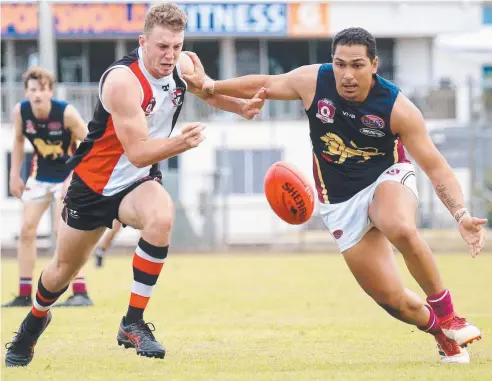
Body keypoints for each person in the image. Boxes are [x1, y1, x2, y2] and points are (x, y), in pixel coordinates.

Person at [186, 27, 487, 364]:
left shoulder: (397, 107)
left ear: (374, 65)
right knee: (391, 300)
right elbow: (266, 84)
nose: (347, 75)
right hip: (339, 202)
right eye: (340, 64)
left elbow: (436, 166)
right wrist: (211, 85)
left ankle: (448, 315)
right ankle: (442, 335)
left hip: (386, 178)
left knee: (398, 226)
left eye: (357, 65)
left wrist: (460, 214)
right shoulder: (314, 82)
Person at [5, 3, 265, 367]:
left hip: (137, 181)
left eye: (176, 46)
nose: (169, 55)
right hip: (94, 184)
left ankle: (133, 321)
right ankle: (33, 323)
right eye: (162, 47)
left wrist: (241, 107)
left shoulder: (183, 64)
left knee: (161, 217)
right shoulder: (122, 81)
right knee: (62, 270)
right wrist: (180, 143)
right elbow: (139, 151)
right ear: (143, 41)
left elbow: (204, 91)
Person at [2, 66, 94, 309]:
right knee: (26, 230)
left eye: (42, 90)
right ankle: (23, 294)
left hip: (68, 175)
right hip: (40, 176)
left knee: (62, 232)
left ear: (50, 91)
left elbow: (89, 145)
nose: (37, 95)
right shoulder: (21, 112)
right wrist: (13, 175)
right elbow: (19, 141)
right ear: (26, 92)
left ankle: (80, 292)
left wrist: (72, 178)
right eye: (32, 90)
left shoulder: (66, 114)